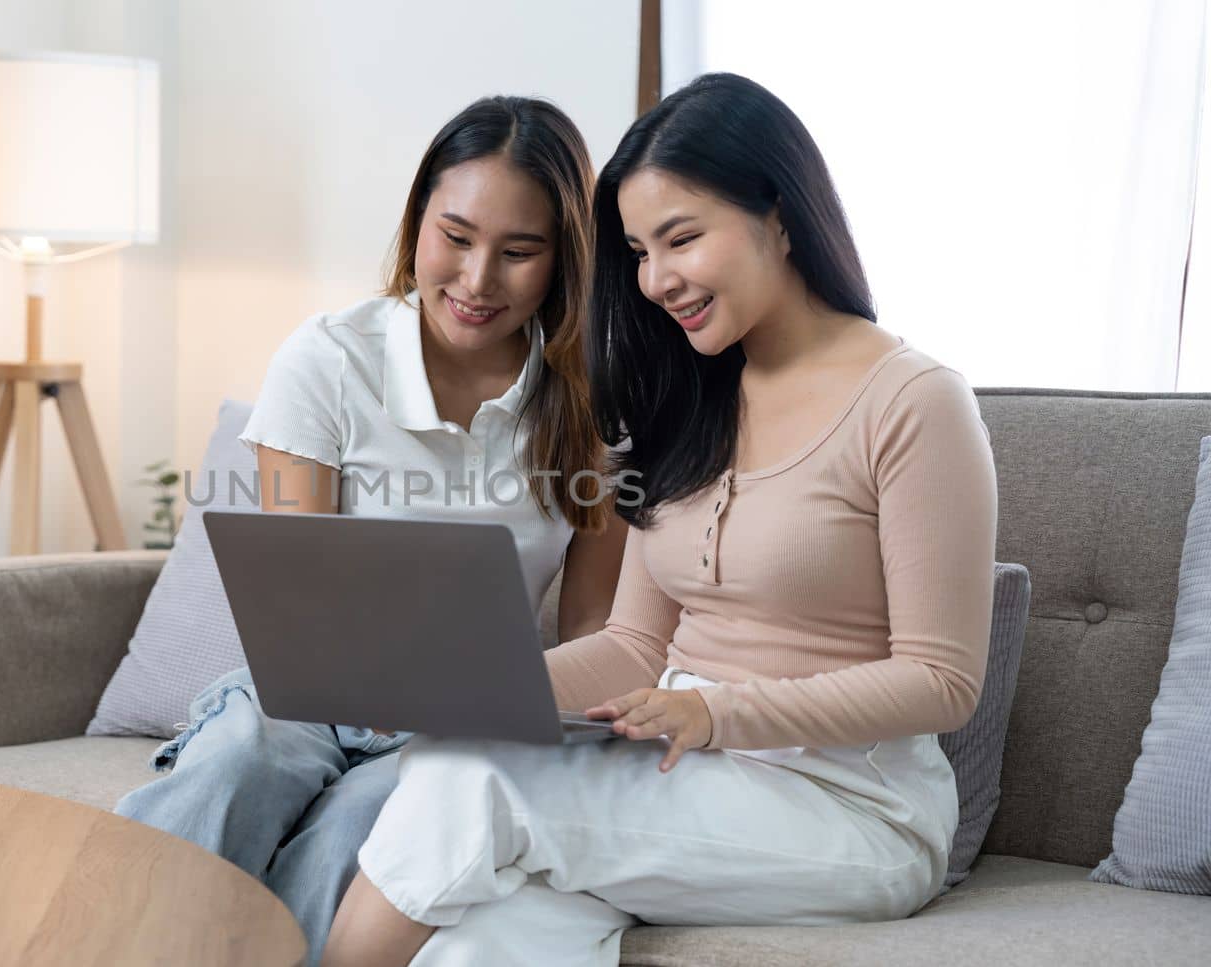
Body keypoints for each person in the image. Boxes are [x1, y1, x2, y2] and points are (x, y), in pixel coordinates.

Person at [322, 72, 998, 967]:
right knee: (484, 936)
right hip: (683, 777)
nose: (655, 279)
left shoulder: (914, 402)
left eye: (681, 239)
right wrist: (475, 687)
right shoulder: (686, 395)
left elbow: (942, 680)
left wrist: (715, 712)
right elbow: (637, 644)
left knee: (466, 781)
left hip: (849, 808)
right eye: (639, 251)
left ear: (781, 216)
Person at [113, 95, 628, 965]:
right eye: (454, 237)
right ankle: (105, 939)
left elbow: (592, 631)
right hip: (308, 695)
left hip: (462, 727)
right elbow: (298, 591)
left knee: (368, 816)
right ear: (417, 220)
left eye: (519, 252)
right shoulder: (328, 359)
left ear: (564, 259)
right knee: (244, 755)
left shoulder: (593, 408)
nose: (476, 280)